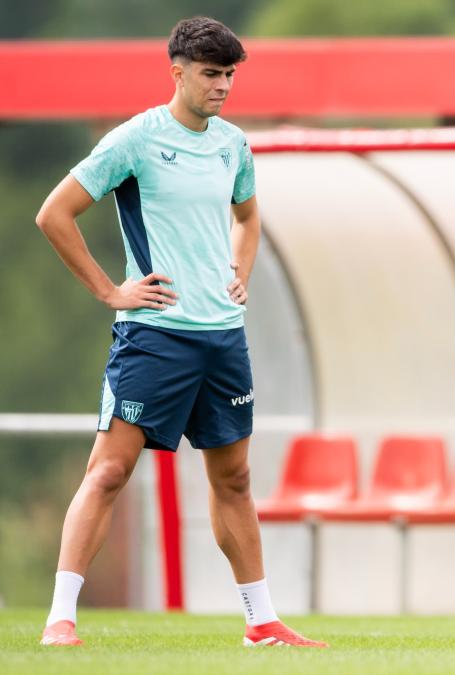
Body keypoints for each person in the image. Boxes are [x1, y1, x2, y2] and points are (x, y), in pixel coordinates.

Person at [34, 17, 324, 648]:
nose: (222, 86)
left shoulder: (233, 144)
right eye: (211, 74)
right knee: (110, 472)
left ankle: (261, 622)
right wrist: (111, 292)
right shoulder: (134, 140)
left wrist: (237, 275)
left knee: (235, 480)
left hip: (222, 339)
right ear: (178, 71)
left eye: (229, 76)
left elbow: (247, 218)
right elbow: (53, 214)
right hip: (154, 336)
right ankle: (60, 618)